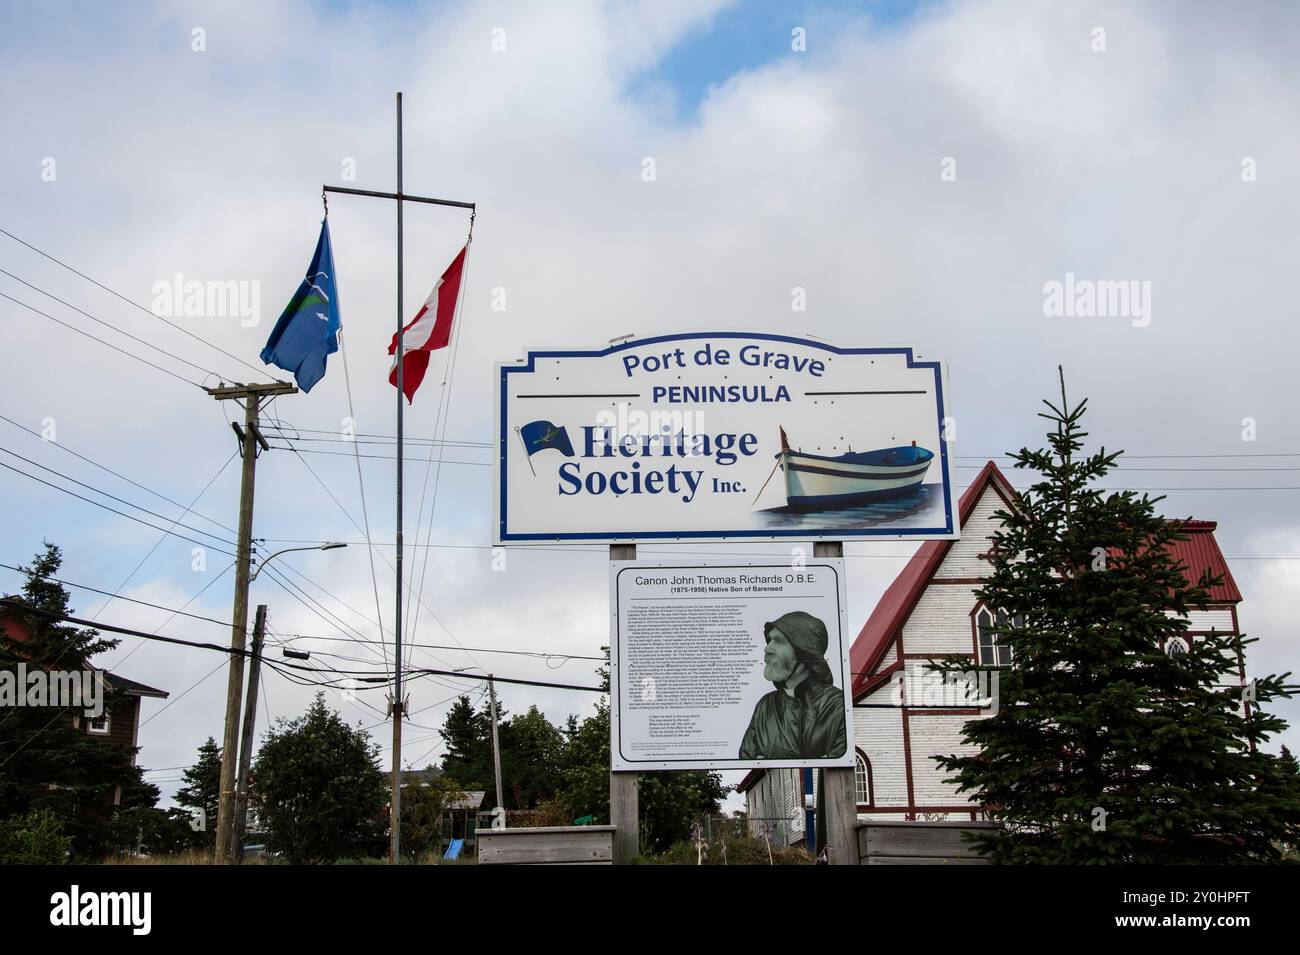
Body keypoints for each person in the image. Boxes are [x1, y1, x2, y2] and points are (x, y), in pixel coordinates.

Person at [738, 610, 847, 760]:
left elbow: (836, 760)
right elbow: (747, 758)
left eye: (778, 641)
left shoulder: (837, 704)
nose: (767, 649)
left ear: (804, 652)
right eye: (769, 640)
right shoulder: (765, 706)